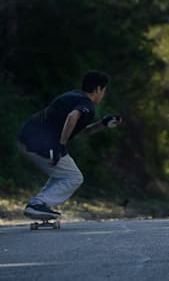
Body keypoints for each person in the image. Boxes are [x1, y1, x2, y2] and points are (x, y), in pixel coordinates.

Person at [17, 70, 122, 219]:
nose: (103, 95)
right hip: (42, 143)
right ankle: (38, 204)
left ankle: (40, 204)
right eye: (104, 90)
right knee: (74, 177)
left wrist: (103, 123)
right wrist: (61, 145)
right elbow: (72, 117)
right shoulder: (87, 104)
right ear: (98, 89)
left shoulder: (72, 96)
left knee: (63, 174)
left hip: (27, 136)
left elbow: (81, 130)